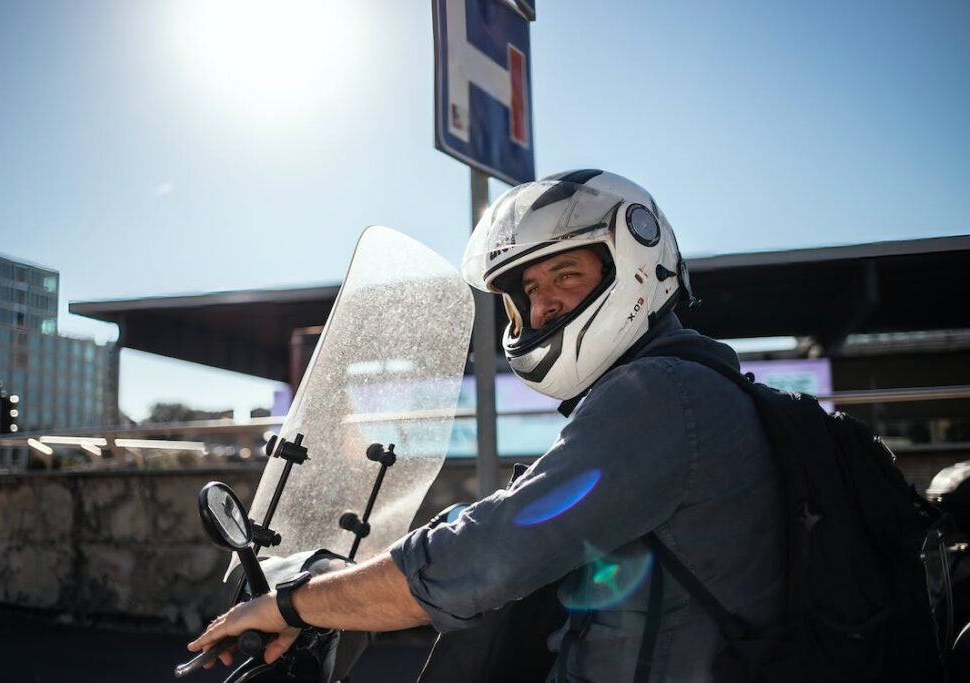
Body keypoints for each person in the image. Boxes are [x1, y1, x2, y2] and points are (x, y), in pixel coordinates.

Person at [188, 170, 785, 682]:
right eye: (529, 289)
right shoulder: (676, 392)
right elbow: (519, 514)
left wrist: (291, 606)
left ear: (632, 264)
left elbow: (486, 554)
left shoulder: (659, 395)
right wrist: (342, 589)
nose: (543, 305)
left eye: (566, 276)